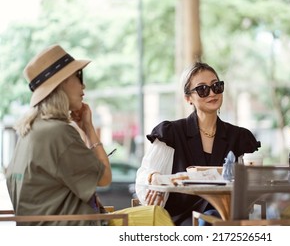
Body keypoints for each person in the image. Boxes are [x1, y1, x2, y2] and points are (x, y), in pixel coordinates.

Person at [5, 44, 174, 226]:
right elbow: (105, 178)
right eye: (78, 76)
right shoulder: (58, 132)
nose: (83, 85)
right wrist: (88, 129)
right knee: (156, 216)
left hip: (47, 232)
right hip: (76, 232)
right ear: (62, 83)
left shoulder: (30, 132)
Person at [135, 61, 261, 226]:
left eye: (216, 86)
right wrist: (154, 178)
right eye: (202, 89)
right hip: (182, 221)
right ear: (188, 98)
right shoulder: (171, 132)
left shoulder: (239, 137)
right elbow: (143, 176)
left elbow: (250, 184)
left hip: (226, 218)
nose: (211, 93)